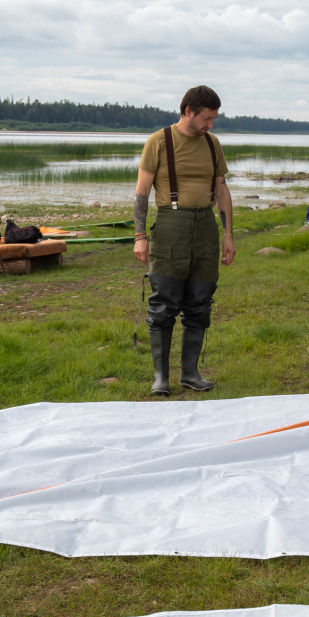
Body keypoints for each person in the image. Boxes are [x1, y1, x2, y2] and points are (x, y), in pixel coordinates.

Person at [133, 85, 238, 395]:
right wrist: (140, 237)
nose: (211, 125)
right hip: (170, 226)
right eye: (207, 118)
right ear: (188, 112)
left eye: (214, 119)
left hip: (205, 227)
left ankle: (190, 373)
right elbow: (142, 193)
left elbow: (221, 190)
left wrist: (228, 235)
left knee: (200, 302)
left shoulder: (212, 144)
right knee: (163, 303)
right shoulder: (159, 142)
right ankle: (161, 378)